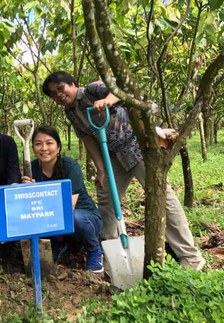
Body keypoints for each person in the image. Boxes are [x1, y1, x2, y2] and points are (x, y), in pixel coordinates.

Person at [42, 71, 205, 270]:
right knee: (107, 199)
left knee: (162, 197)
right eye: (53, 94)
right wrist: (100, 168)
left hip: (137, 146)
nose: (59, 95)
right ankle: (110, 251)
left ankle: (190, 256)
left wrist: (108, 100)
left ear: (73, 83)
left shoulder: (93, 90)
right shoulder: (70, 112)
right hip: (112, 156)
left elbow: (125, 89)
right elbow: (86, 138)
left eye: (61, 88)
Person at [21, 125, 104, 273]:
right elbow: (30, 206)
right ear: (33, 148)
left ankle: (94, 251)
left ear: (58, 147)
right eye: (38, 144)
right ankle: (58, 243)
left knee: (72, 216)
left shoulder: (69, 166)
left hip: (84, 219)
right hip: (55, 222)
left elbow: (68, 206)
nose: (44, 148)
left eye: (49, 143)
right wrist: (24, 189)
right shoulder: (32, 169)